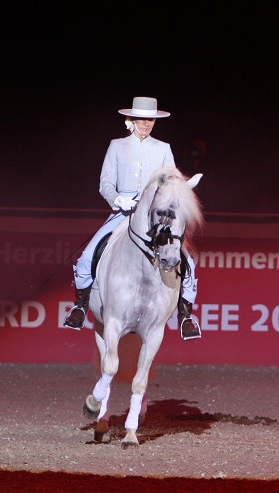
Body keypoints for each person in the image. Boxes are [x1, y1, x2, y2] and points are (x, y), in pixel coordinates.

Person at [63, 96, 202, 340]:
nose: (146, 124)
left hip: (153, 213)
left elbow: (172, 183)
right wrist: (117, 200)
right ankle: (81, 305)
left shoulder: (163, 148)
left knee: (186, 261)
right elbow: (105, 183)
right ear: (133, 119)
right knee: (88, 256)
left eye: (150, 120)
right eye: (142, 119)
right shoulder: (117, 146)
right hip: (123, 210)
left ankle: (185, 314)